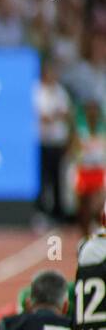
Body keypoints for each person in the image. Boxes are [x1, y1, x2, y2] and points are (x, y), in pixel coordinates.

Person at [35, 61, 73, 225]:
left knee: (58, 178)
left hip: (58, 141)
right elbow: (43, 117)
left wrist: (54, 116)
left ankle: (58, 213)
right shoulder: (37, 91)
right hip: (42, 141)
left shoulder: (59, 91)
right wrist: (55, 115)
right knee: (44, 178)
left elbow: (66, 113)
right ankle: (43, 212)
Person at [67, 100, 106, 241]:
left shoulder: (103, 129)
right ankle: (84, 237)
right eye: (89, 111)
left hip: (99, 171)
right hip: (84, 171)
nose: (92, 114)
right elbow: (72, 149)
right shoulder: (80, 130)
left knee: (98, 206)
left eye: (95, 111)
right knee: (84, 207)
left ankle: (98, 234)